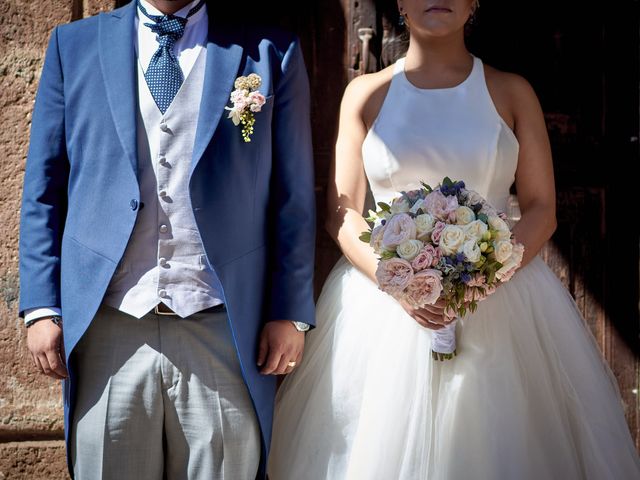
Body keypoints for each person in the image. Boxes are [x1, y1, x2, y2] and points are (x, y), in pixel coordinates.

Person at [268, 0, 640, 478]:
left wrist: (483, 279)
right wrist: (396, 281)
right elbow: (342, 215)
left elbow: (542, 209)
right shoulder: (364, 94)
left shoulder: (511, 91)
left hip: (499, 299)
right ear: (400, 4)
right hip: (382, 306)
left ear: (473, 4)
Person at [19, 0, 315, 478]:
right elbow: (43, 191)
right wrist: (41, 306)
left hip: (223, 324)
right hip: (108, 324)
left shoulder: (269, 50)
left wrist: (290, 311)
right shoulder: (72, 46)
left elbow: (293, 196)